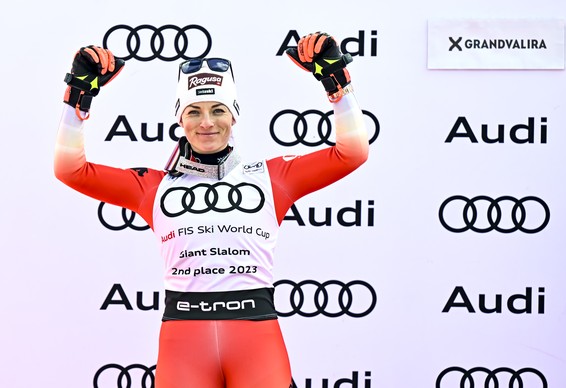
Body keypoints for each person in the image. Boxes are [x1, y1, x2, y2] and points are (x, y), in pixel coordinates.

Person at [54, 31, 369, 388]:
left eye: (218, 110)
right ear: (180, 120)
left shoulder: (272, 178)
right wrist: (78, 99)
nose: (207, 123)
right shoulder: (153, 187)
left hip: (256, 339)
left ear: (234, 117)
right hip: (184, 343)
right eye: (194, 112)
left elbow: (352, 152)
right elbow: (70, 169)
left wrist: (336, 83)